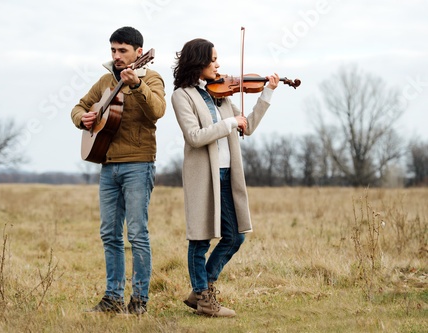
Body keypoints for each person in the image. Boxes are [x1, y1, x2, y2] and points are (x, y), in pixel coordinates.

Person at [171, 38, 279, 317]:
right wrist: (230, 123)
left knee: (235, 237)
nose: (218, 64)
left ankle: (201, 289)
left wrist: (266, 92)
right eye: (213, 59)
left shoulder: (221, 94)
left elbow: (249, 126)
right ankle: (205, 300)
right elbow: (195, 137)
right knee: (201, 239)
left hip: (229, 174)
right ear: (198, 61)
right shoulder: (182, 95)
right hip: (204, 175)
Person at [71, 26, 166, 315]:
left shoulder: (151, 78)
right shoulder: (104, 81)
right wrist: (82, 119)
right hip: (107, 166)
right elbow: (78, 107)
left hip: (138, 164)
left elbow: (158, 111)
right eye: (113, 50)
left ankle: (139, 302)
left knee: (137, 233)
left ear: (139, 52)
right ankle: (112, 299)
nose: (116, 56)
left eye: (122, 51)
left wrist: (137, 85)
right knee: (109, 234)